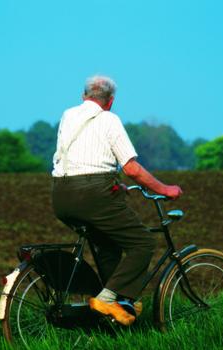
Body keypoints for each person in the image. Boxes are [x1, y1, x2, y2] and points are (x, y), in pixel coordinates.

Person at [51, 75, 182, 326]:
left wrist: (113, 183)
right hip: (93, 195)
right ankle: (108, 298)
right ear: (110, 102)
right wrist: (165, 189)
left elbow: (80, 160)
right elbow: (132, 169)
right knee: (143, 242)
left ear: (83, 96)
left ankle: (120, 305)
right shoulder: (109, 119)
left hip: (60, 195)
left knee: (108, 246)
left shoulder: (68, 115)